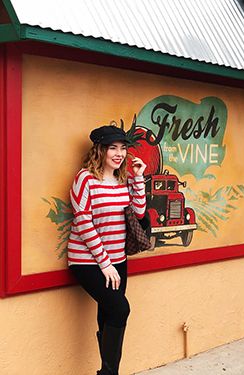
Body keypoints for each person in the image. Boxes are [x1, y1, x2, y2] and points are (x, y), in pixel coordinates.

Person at [68, 125, 146, 375]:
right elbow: (83, 222)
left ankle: (107, 371)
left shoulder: (123, 179)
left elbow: (139, 213)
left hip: (118, 259)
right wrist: (104, 263)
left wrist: (137, 179)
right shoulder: (85, 178)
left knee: (108, 312)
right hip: (88, 261)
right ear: (100, 150)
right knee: (120, 308)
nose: (119, 153)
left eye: (123, 148)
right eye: (113, 147)